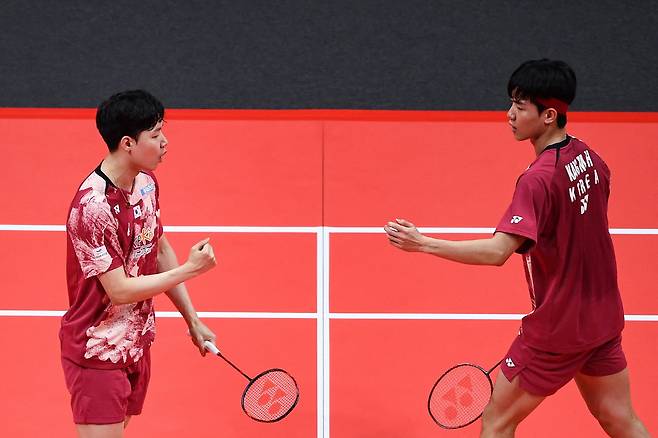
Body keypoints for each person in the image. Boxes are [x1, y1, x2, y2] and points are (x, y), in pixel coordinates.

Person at [384, 59, 649, 437]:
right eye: (511, 102)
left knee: (496, 421)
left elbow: (497, 252)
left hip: (558, 328)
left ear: (549, 115)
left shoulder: (537, 180)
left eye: (521, 107)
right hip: (603, 317)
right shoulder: (590, 158)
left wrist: (423, 243)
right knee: (620, 419)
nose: (509, 114)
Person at [60, 89, 217, 438]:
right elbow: (118, 291)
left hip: (136, 344)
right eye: (157, 135)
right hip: (97, 351)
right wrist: (191, 269)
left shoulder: (145, 183)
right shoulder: (91, 208)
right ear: (128, 142)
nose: (166, 143)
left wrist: (192, 319)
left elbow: (158, 250)